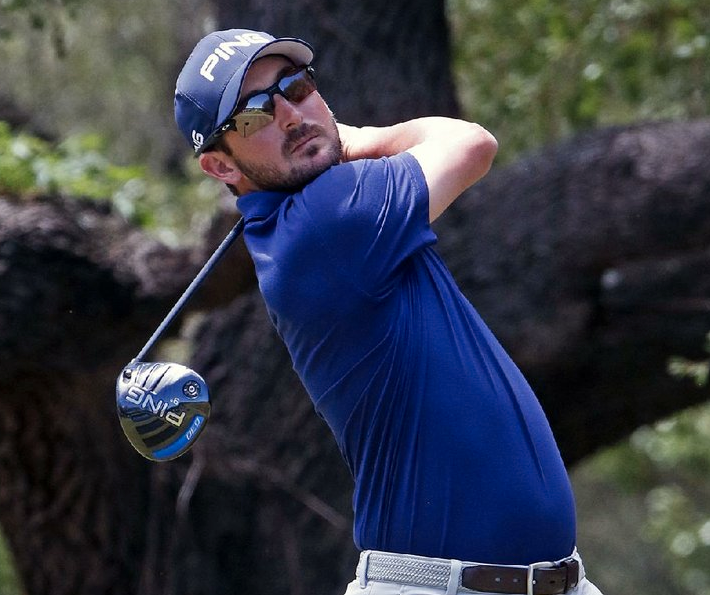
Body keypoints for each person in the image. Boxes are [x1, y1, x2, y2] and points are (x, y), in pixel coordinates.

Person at [174, 28, 604, 595]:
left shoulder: (313, 220)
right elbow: (471, 143)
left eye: (296, 88)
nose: (290, 115)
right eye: (254, 116)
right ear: (221, 168)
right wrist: (362, 138)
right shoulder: (326, 221)